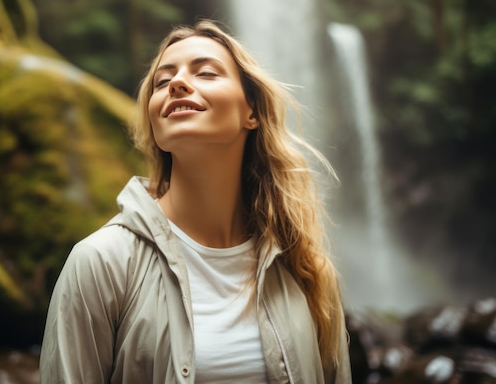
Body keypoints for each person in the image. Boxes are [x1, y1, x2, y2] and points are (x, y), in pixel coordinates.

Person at [40, 20, 352, 384]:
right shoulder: (101, 263)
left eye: (205, 72)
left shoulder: (305, 269)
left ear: (251, 112)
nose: (176, 84)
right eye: (161, 81)